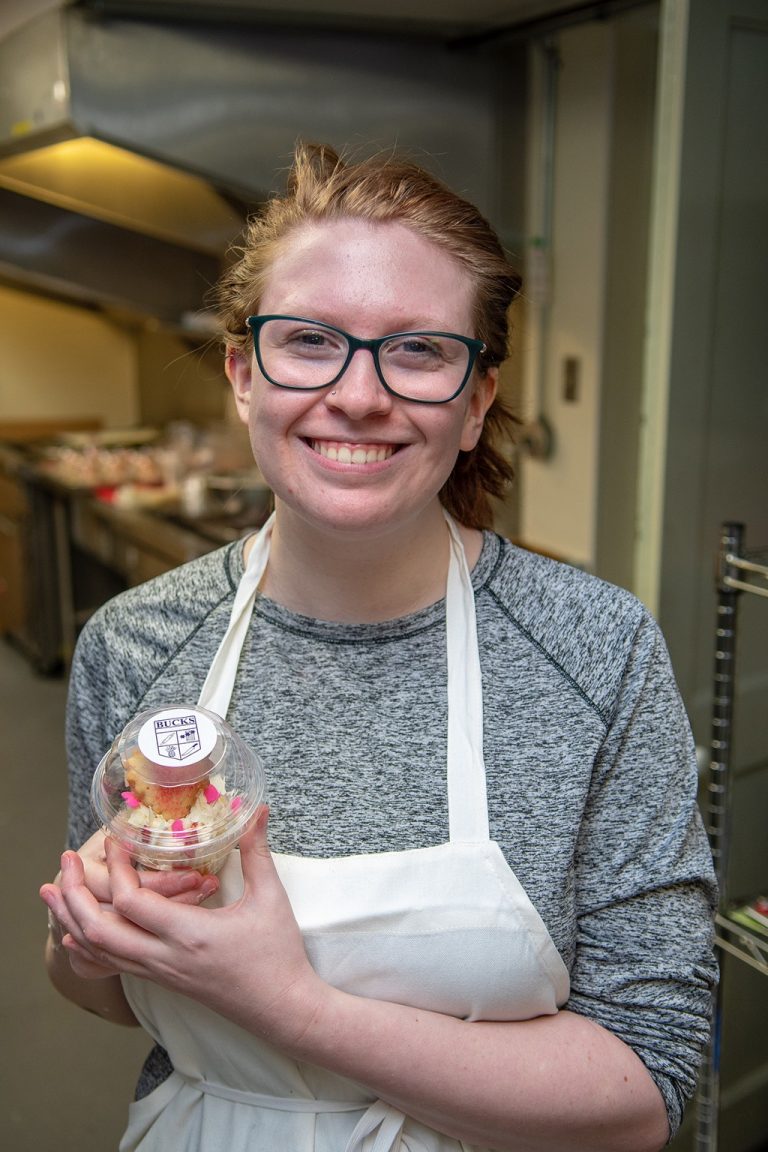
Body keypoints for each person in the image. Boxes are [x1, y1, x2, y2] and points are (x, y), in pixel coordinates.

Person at [40, 142, 717, 1152]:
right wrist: (84, 946)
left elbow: (647, 1087)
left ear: (478, 397)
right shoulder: (133, 646)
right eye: (309, 340)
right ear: (241, 371)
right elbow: (109, 995)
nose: (358, 394)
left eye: (418, 350)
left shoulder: (598, 650)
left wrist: (291, 1004)